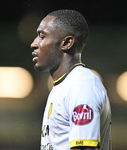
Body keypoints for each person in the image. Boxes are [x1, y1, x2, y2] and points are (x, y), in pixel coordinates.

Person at [31, 9, 111, 150]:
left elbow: (85, 148)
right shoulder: (64, 85)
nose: (34, 43)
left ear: (67, 43)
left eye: (42, 36)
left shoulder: (80, 86)